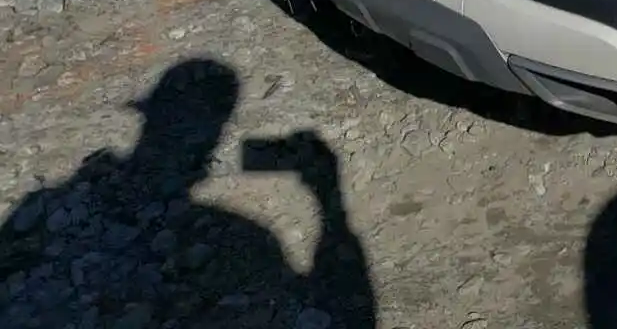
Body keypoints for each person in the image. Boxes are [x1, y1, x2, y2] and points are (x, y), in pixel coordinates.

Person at [0, 59, 375, 328]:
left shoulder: (40, 207)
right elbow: (351, 313)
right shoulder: (249, 235)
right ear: (217, 133)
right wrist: (329, 198)